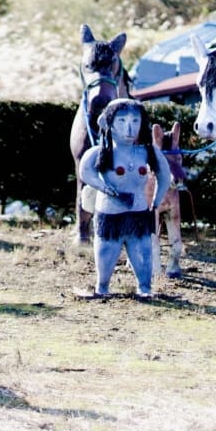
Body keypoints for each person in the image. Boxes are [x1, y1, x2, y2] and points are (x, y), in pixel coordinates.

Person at [77, 99, 170, 298]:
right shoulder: (101, 153)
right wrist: (102, 186)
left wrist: (156, 199)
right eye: (121, 121)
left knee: (143, 257)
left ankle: (144, 289)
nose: (129, 128)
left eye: (135, 121)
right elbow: (85, 171)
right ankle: (102, 288)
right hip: (110, 217)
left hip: (139, 215)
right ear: (107, 123)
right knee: (105, 257)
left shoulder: (147, 152)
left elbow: (164, 175)